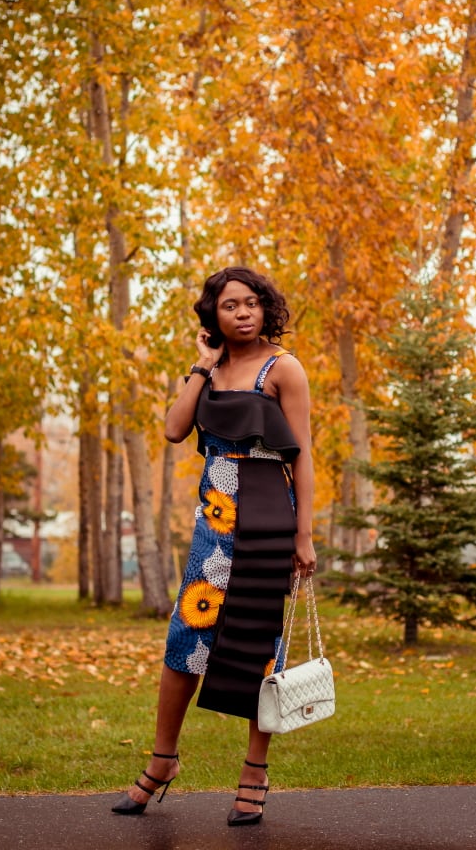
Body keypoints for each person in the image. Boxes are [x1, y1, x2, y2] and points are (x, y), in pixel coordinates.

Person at [112, 266, 316, 826]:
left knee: (259, 640)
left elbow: (302, 455)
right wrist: (202, 366)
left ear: (265, 308)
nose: (243, 313)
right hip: (217, 517)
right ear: (214, 315)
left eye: (252, 303)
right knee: (186, 636)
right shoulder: (209, 369)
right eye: (230, 305)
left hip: (272, 516)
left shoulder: (285, 368)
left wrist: (304, 535)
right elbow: (174, 429)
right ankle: (162, 761)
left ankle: (255, 771)